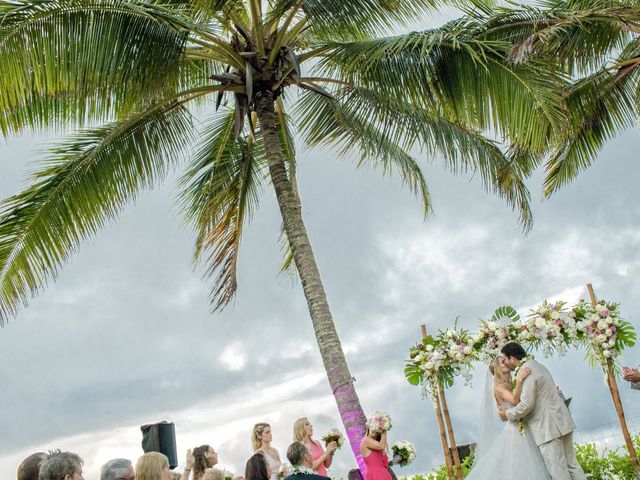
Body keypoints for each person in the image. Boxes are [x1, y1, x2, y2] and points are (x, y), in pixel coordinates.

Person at [498, 342, 586, 480]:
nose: (505, 363)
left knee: (558, 473)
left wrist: (507, 414)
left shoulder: (526, 371)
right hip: (561, 422)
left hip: (547, 429)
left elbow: (527, 405)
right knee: (572, 466)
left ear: (513, 359)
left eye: (505, 359)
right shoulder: (538, 365)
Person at [466, 355, 550, 479]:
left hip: (526, 424)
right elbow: (515, 401)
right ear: (497, 368)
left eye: (505, 361)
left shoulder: (512, 382)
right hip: (515, 429)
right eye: (502, 362)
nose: (506, 363)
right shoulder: (499, 388)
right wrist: (520, 380)